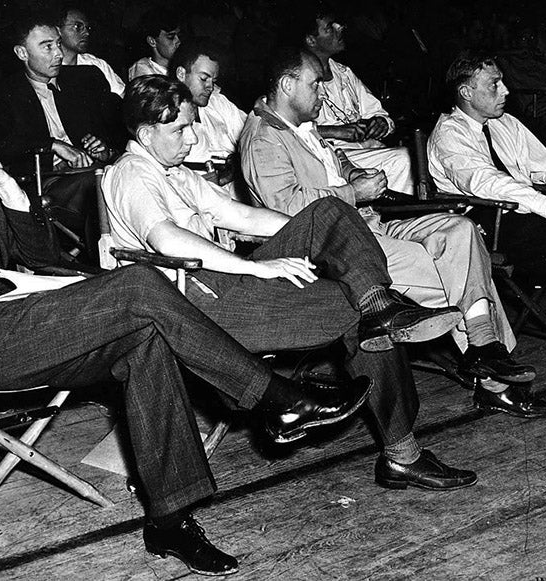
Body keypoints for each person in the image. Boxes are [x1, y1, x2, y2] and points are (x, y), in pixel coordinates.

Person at [0, 58, 369, 578]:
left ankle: (171, 518)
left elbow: (42, 259)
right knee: (141, 284)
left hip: (16, 319)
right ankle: (272, 398)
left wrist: (14, 203)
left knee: (145, 336)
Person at [104, 75, 478, 502]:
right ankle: (402, 451)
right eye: (180, 130)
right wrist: (257, 268)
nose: (192, 138)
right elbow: (168, 240)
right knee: (358, 310)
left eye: (192, 125)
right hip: (196, 307)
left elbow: (241, 217)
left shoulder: (173, 173)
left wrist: (319, 234)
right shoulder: (131, 173)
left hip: (225, 285)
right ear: (146, 133)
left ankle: (379, 303)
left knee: (329, 210)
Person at [239, 46, 546, 419]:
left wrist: (357, 177)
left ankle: (485, 350)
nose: (324, 94)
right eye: (316, 85)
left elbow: (339, 166)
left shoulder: (301, 128)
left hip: (372, 224)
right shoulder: (264, 139)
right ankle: (494, 378)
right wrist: (352, 192)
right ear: (287, 84)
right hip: (340, 248)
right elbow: (287, 209)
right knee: (465, 275)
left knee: (461, 231)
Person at [428, 51, 546, 392]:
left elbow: (545, 162)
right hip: (498, 228)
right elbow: (489, 183)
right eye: (495, 84)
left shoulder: (505, 124)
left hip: (539, 212)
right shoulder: (449, 134)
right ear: (466, 92)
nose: (506, 91)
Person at [0, 13, 124, 260]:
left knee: (121, 176)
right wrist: (52, 146)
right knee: (100, 185)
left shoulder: (85, 80)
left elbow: (119, 130)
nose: (58, 53)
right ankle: (107, 262)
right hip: (47, 182)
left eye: (58, 43)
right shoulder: (3, 95)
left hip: (97, 170)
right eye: (47, 46)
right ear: (22, 53)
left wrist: (105, 149)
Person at [299, 7, 415, 195]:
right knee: (403, 158)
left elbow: (381, 115)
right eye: (330, 27)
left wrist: (380, 123)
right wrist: (336, 132)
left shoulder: (344, 73)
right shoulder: (298, 78)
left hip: (365, 150)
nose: (340, 28)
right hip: (330, 155)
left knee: (404, 155)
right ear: (311, 40)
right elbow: (289, 129)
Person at [169, 38, 248, 200]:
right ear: (181, 74)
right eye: (204, 79)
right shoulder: (165, 116)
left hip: (238, 193)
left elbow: (251, 136)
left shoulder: (219, 103)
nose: (210, 87)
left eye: (214, 81)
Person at [58, 7, 126, 97]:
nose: (87, 33)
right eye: (78, 27)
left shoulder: (96, 64)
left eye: (87, 28)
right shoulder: (48, 67)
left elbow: (121, 96)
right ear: (58, 30)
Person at [127, 8, 181, 80]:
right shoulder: (142, 70)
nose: (178, 41)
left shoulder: (181, 64)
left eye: (179, 36)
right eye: (171, 37)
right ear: (152, 41)